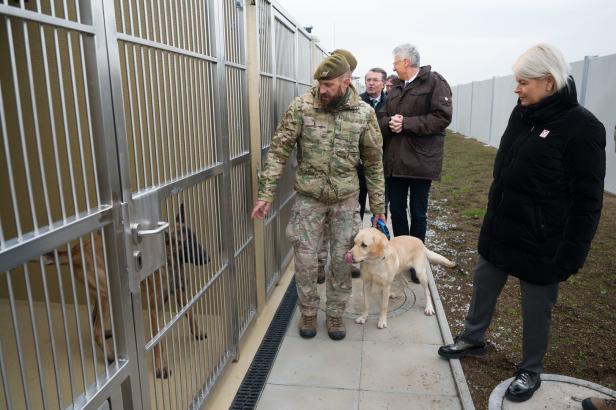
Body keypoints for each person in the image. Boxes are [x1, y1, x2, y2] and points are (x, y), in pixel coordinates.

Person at [437, 43, 606, 403]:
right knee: (484, 284)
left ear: (548, 81)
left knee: (536, 307)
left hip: (543, 240)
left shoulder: (583, 128)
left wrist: (572, 253)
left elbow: (587, 201)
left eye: (523, 82)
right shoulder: (523, 113)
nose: (517, 89)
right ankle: (473, 338)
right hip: (501, 227)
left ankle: (531, 369)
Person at [251, 53, 386, 341]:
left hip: (346, 199)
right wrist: (266, 194)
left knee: (342, 260)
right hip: (309, 200)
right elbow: (279, 150)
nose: (321, 90)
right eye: (319, 84)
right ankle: (309, 312)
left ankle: (335, 315)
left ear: (345, 82)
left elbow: (374, 163)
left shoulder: (364, 113)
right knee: (306, 260)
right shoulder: (302, 107)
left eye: (327, 84)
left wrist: (378, 208)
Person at [377, 43, 452, 243]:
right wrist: (389, 123)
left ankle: (417, 253)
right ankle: (402, 252)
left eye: (395, 63)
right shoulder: (396, 86)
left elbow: (442, 117)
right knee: (397, 211)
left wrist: (407, 123)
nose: (393, 68)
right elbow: (382, 115)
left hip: (421, 162)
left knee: (418, 213)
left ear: (405, 62)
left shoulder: (435, 82)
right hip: (395, 163)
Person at [316, 49, 363, 282]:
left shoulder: (360, 109)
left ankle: (347, 261)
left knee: (347, 230)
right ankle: (319, 264)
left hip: (346, 186)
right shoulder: (316, 100)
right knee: (321, 231)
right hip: (317, 185)